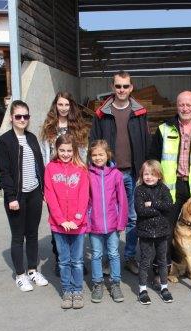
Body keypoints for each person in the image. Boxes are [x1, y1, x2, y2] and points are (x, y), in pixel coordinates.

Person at [148, 90, 191, 269]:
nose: (185, 108)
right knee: (166, 228)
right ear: (176, 106)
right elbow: (153, 159)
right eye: (181, 104)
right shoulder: (164, 129)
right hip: (170, 188)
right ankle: (163, 267)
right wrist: (155, 187)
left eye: (189, 105)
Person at [90, 71, 150, 275]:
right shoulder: (102, 113)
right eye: (118, 86)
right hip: (109, 173)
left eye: (125, 86)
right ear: (113, 87)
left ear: (131, 87)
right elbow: (94, 143)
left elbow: (146, 141)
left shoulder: (140, 112)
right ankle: (107, 259)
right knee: (108, 215)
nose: (122, 90)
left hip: (133, 172)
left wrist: (145, 169)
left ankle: (129, 257)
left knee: (133, 217)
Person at [0, 100, 49, 292]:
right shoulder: (4, 142)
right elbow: (4, 172)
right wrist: (11, 197)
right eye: (18, 116)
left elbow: (40, 166)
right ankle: (20, 274)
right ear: (11, 118)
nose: (22, 120)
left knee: (33, 233)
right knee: (18, 236)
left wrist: (44, 190)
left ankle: (33, 270)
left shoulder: (32, 138)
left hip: (34, 193)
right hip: (17, 196)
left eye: (26, 116)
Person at [40, 91, 90, 275]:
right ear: (55, 106)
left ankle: (78, 260)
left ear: (71, 106)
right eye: (60, 105)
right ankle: (60, 259)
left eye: (66, 105)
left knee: (78, 219)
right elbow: (45, 153)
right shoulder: (49, 128)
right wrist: (47, 183)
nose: (63, 108)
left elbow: (83, 152)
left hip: (75, 178)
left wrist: (83, 172)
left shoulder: (78, 127)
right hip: (56, 179)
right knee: (57, 219)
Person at [44, 134, 89, 309]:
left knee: (77, 261)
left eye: (69, 150)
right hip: (58, 225)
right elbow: (50, 196)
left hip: (78, 225)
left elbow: (84, 196)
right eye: (62, 150)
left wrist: (77, 219)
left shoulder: (81, 168)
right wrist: (61, 220)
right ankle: (67, 290)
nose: (65, 153)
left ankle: (77, 291)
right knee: (63, 261)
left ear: (74, 150)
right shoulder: (50, 168)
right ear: (56, 149)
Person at [87, 139, 128, 303]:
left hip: (113, 223)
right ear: (90, 156)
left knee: (113, 254)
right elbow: (85, 200)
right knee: (96, 255)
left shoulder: (116, 175)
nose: (97, 157)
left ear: (107, 154)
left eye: (101, 154)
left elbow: (122, 200)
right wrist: (86, 221)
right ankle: (97, 284)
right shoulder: (87, 174)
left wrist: (121, 222)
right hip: (94, 223)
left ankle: (115, 283)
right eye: (94, 155)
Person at [134, 160, 174, 305]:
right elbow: (140, 211)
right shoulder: (139, 190)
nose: (149, 177)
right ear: (141, 175)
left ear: (159, 176)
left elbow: (169, 205)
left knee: (162, 261)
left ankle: (164, 288)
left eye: (152, 174)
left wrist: (152, 204)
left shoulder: (164, 189)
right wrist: (159, 210)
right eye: (146, 174)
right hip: (145, 232)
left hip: (162, 232)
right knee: (145, 261)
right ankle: (142, 289)